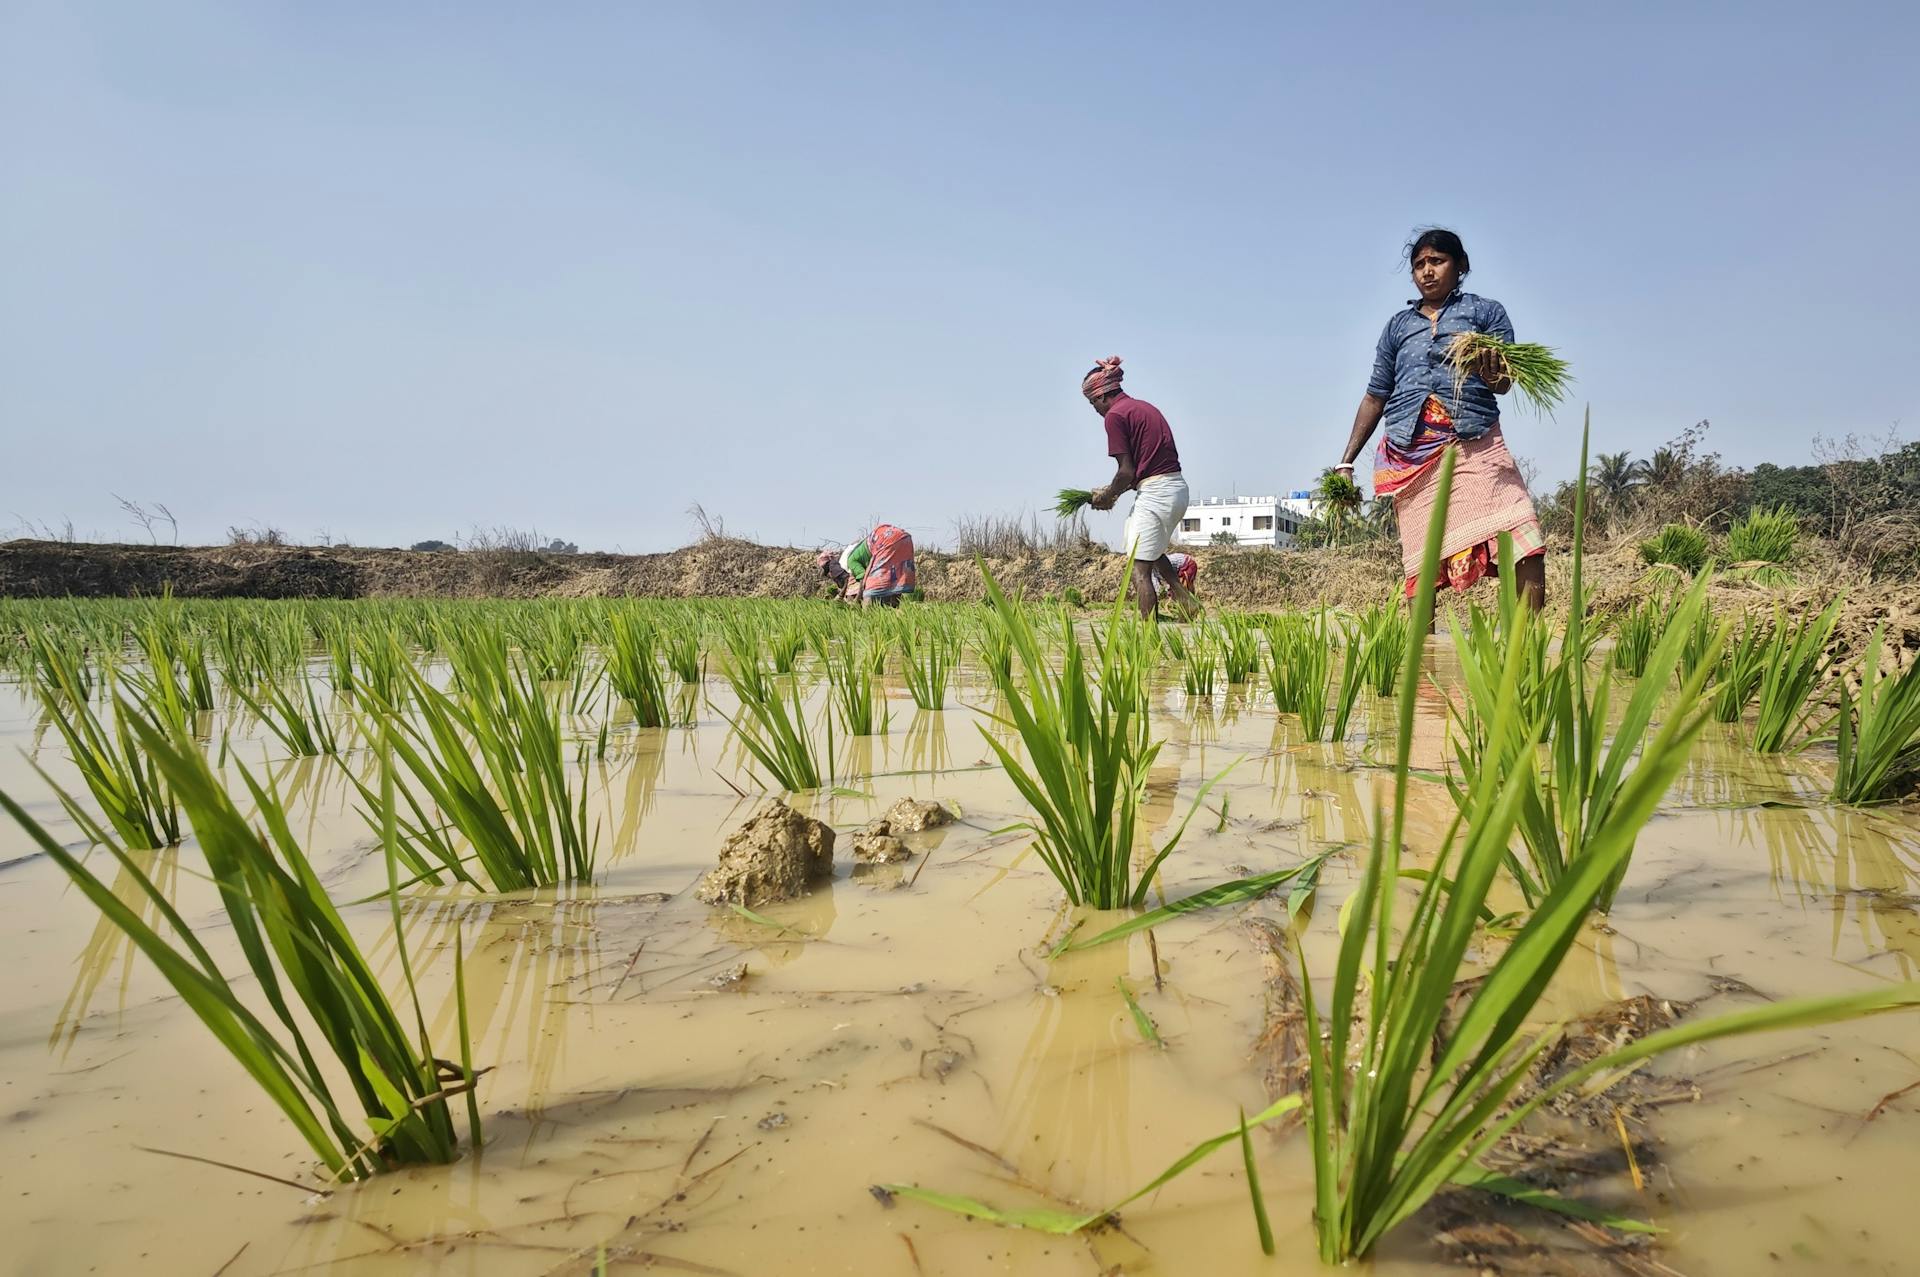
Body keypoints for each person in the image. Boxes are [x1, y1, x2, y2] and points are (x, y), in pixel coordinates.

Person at [1335, 228, 1546, 608]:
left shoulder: (1485, 312)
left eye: (1437, 261)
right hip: (1412, 453)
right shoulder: (1398, 327)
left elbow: (1503, 384)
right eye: (1419, 265)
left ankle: (1528, 649)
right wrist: (1345, 460)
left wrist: (1491, 369)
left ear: (1460, 265)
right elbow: (1375, 394)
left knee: (1522, 534)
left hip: (1474, 440)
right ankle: (1425, 655)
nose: (1426, 272)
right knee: (1422, 564)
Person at [1081, 357, 1201, 620]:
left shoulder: (1114, 416)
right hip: (1176, 488)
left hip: (1156, 492)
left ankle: (1147, 641)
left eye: (1093, 403)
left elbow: (1127, 471)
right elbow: (1141, 468)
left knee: (1138, 570)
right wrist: (1116, 490)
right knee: (1154, 552)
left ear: (1103, 394)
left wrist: (1107, 496)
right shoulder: (1143, 407)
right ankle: (1185, 599)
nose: (1095, 409)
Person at [823, 524, 917, 607]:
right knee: (894, 581)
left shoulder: (851, 562)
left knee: (870, 592)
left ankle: (868, 614)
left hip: (885, 539)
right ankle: (894, 609)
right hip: (904, 538)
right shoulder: (856, 553)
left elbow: (863, 580)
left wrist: (856, 601)